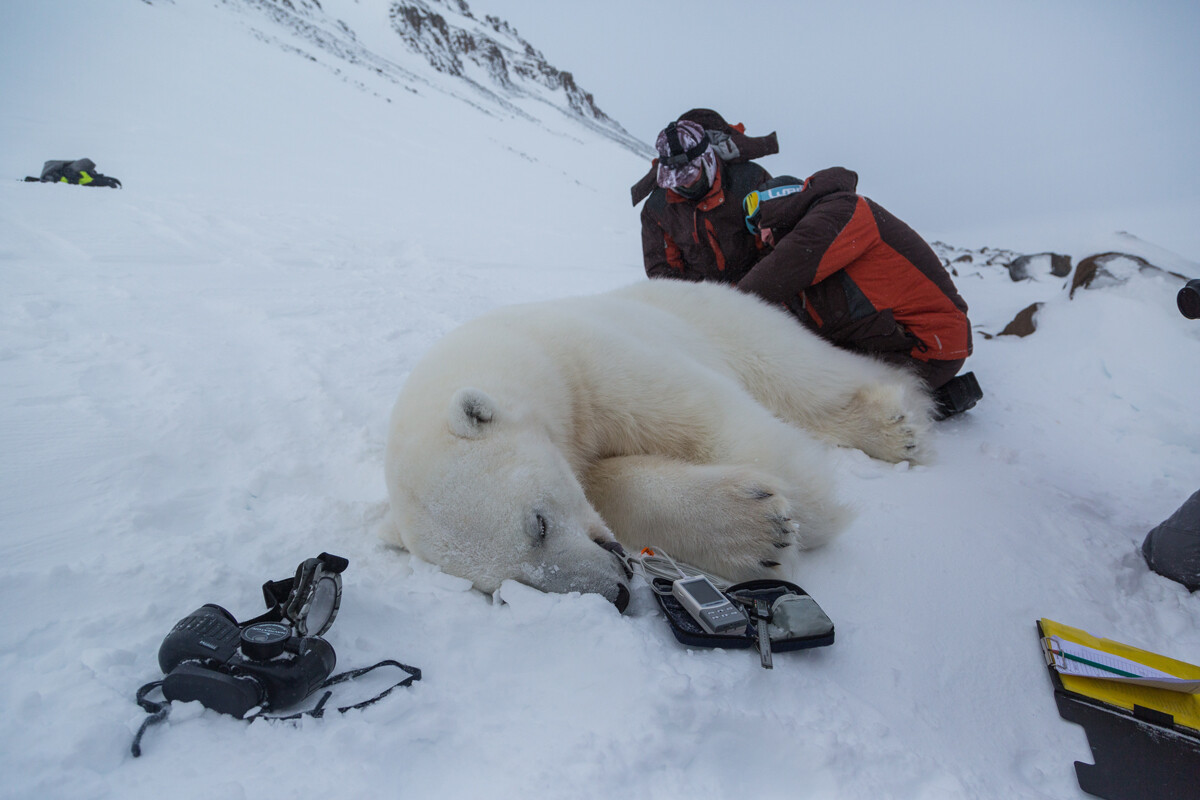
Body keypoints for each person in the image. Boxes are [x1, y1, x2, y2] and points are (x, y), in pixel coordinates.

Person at [737, 169, 980, 408]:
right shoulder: (821, 240)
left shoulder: (841, 210)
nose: (762, 233)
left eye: (760, 220)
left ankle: (915, 405)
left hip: (926, 347)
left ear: (781, 199)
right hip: (902, 344)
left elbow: (781, 269)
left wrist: (722, 307)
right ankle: (930, 399)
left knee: (815, 400)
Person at [640, 116, 772, 284]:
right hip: (700, 302)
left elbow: (775, 247)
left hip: (758, 292)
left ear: (707, 159)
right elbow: (664, 276)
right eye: (677, 179)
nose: (685, 184)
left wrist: (748, 293)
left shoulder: (750, 181)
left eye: (691, 175)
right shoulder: (657, 209)